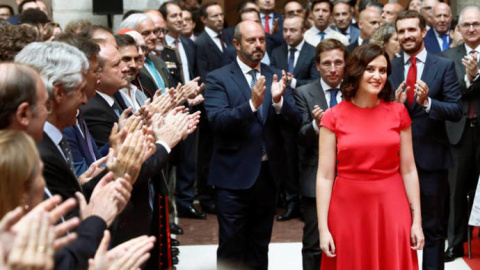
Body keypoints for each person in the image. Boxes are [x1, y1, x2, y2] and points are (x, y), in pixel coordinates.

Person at [317, 43, 424, 269]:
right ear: (357, 71)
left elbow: (409, 169)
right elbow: (325, 177)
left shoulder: (398, 113)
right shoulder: (333, 117)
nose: (377, 76)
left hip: (392, 206)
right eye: (371, 69)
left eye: (383, 71)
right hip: (347, 209)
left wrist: (417, 222)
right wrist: (323, 228)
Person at [204, 20, 300, 269]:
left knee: (260, 244)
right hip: (232, 176)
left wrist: (278, 102)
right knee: (232, 245)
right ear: (236, 44)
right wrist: (251, 106)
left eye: (261, 39)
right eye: (251, 40)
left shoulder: (276, 74)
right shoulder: (218, 78)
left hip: (267, 176)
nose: (258, 45)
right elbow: (217, 121)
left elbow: (295, 121)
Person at [389, 10, 462, 270]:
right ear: (397, 36)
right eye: (402, 31)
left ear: (423, 32)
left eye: (411, 30)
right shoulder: (388, 67)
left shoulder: (443, 66)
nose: (407, 35)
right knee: (397, 230)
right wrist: (394, 108)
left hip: (432, 163)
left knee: (432, 230)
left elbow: (456, 110)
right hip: (393, 166)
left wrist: (428, 103)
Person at [294, 38, 347, 270]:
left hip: (351, 178)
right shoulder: (304, 93)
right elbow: (299, 136)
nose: (333, 69)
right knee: (315, 243)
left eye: (338, 62)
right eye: (327, 63)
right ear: (317, 66)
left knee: (348, 241)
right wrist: (318, 125)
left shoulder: (355, 92)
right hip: (315, 177)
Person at [442, 6, 480, 262]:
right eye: (466, 25)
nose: (471, 29)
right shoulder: (448, 56)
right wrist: (469, 77)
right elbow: (452, 94)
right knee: (456, 190)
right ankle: (455, 243)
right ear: (458, 29)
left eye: (476, 24)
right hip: (459, 131)